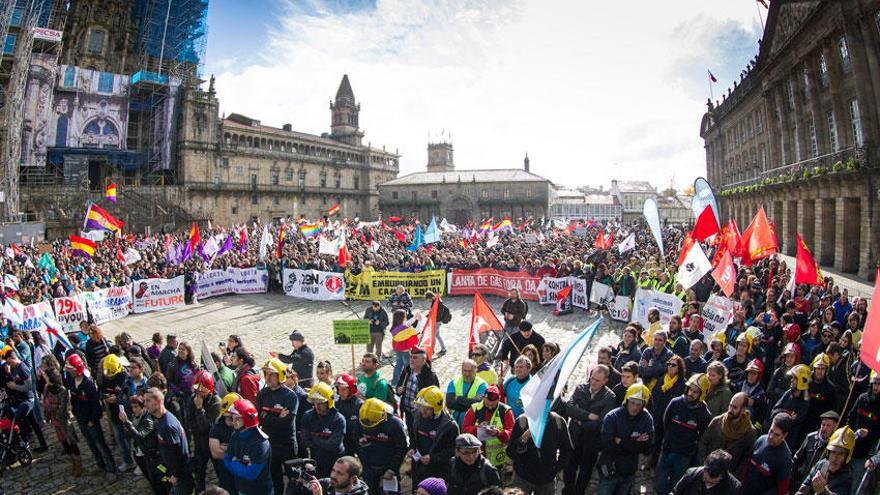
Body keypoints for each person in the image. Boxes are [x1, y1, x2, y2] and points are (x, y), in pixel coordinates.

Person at [653, 373, 712, 495]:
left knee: (677, 484)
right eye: (690, 389)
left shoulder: (704, 414)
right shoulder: (675, 403)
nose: (691, 393)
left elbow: (701, 434)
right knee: (659, 483)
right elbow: (666, 422)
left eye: (695, 392)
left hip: (684, 454)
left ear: (702, 394)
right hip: (668, 449)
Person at [563, 364, 617, 495]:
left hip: (591, 442)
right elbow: (569, 408)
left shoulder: (610, 397)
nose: (593, 382)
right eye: (592, 378)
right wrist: (588, 416)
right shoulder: (581, 388)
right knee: (569, 467)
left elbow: (601, 424)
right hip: (574, 438)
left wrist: (579, 419)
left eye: (597, 380)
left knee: (585, 471)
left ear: (605, 381)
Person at [63, 353, 117, 474]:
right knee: (91, 445)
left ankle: (111, 469)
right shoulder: (72, 380)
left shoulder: (88, 384)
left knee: (101, 445)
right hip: (81, 418)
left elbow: (96, 404)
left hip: (91, 420)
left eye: (70, 369)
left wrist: (93, 420)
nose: (69, 372)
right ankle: (100, 465)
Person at [597, 384, 654, 495]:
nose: (635, 407)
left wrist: (621, 441)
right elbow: (607, 444)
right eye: (632, 402)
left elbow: (647, 447)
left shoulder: (646, 419)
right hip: (610, 469)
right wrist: (635, 443)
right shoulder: (612, 417)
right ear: (627, 401)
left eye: (639, 404)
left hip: (629, 471)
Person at [256, 357, 300, 495]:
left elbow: (285, 422)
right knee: (275, 478)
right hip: (270, 443)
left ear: (279, 375)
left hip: (287, 444)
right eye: (266, 374)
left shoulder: (290, 396)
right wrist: (276, 417)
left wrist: (267, 417)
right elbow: (259, 418)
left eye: (271, 374)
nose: (267, 378)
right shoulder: (262, 394)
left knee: (293, 477)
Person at [507, 405, 573, 495]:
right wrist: (523, 438)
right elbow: (511, 452)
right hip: (522, 478)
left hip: (546, 480)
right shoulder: (522, 421)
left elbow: (567, 449)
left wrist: (555, 469)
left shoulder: (559, 422)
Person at [146, 387, 195, 495]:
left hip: (181, 476)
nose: (145, 404)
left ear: (158, 401)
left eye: (148, 401)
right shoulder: (161, 420)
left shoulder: (167, 425)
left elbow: (178, 453)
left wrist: (175, 475)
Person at [355, 398, 408, 495]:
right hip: (369, 468)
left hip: (388, 468)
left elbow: (402, 448)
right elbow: (356, 439)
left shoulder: (395, 425)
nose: (368, 426)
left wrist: (392, 469)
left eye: (371, 423)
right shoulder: (362, 419)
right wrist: (361, 444)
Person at [40, 355, 82, 477]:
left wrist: (51, 407)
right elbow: (45, 401)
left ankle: (78, 464)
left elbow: (62, 408)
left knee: (71, 442)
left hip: (63, 420)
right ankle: (72, 461)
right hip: (55, 420)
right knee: (64, 442)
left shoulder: (62, 390)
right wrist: (47, 413)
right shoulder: (47, 388)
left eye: (46, 376)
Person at [0, 346, 48, 454]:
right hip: (21, 399)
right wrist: (8, 374)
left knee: (18, 418)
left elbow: (29, 386)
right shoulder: (14, 368)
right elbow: (16, 381)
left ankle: (25, 443)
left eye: (8, 362)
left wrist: (14, 386)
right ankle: (41, 444)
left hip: (28, 399)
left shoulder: (22, 368)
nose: (8, 365)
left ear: (11, 359)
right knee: (33, 424)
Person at [410, 385, 459, 486]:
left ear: (436, 408)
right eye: (421, 406)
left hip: (439, 472)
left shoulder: (450, 426)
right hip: (419, 469)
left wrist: (433, 458)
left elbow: (452, 451)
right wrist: (412, 448)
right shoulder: (418, 417)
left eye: (427, 408)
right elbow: (414, 438)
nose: (423, 410)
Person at [120, 393, 169, 494]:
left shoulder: (148, 420)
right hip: (139, 452)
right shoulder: (134, 418)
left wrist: (127, 423)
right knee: (149, 477)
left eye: (136, 407)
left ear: (142, 407)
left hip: (150, 454)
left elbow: (139, 436)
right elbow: (129, 435)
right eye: (132, 407)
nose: (134, 409)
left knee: (158, 479)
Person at [698, 392, 756, 475]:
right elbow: (703, 442)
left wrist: (733, 477)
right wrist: (704, 464)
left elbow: (746, 459)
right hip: (707, 469)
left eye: (735, 407)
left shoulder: (750, 432)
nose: (730, 410)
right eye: (730, 405)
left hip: (727, 476)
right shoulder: (717, 421)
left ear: (743, 410)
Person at [225, 398, 273, 495]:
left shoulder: (261, 443)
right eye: (232, 418)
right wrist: (242, 465)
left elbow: (251, 474)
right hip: (242, 489)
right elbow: (226, 461)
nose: (233, 422)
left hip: (260, 491)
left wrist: (235, 462)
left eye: (237, 418)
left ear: (247, 419)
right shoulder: (235, 435)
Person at [462, 384, 514, 470]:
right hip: (477, 456)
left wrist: (498, 433)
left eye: (493, 405)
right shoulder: (474, 409)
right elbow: (464, 430)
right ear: (484, 398)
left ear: (499, 399)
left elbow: (511, 433)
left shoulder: (506, 411)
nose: (489, 407)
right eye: (487, 404)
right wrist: (478, 429)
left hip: (498, 459)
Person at [301, 382, 346, 479]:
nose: (317, 406)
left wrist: (315, 438)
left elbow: (334, 445)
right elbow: (305, 441)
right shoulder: (308, 416)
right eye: (315, 402)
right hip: (316, 460)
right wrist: (323, 441)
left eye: (320, 403)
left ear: (329, 401)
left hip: (335, 462)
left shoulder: (338, 419)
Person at [740, 413, 794, 495]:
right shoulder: (761, 440)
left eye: (776, 435)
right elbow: (747, 466)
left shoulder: (785, 459)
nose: (771, 436)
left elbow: (782, 490)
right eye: (771, 431)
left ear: (785, 435)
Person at [795, 426, 856, 495]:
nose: (834, 458)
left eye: (840, 454)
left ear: (847, 456)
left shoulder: (848, 477)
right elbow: (803, 489)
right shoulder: (821, 464)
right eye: (833, 452)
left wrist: (822, 491)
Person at [847, 371, 880, 493]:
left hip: (866, 452)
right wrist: (851, 431)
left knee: (856, 486)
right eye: (874, 383)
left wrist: (869, 433)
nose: (876, 387)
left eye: (879, 384)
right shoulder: (862, 398)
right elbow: (850, 416)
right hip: (851, 446)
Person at [101, 353, 135, 472]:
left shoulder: (126, 378)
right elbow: (101, 390)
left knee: (132, 438)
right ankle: (128, 461)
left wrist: (117, 399)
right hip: (114, 413)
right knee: (120, 439)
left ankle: (136, 460)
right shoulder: (106, 376)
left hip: (128, 413)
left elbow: (131, 396)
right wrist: (105, 397)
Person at [395, 346, 439, 436]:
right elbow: (398, 386)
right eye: (410, 357)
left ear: (423, 360)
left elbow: (435, 397)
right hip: (408, 411)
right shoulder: (407, 370)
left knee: (420, 435)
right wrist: (399, 390)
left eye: (415, 358)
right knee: (411, 432)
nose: (411, 360)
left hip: (422, 413)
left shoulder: (430, 375)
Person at [191, 369, 222, 493]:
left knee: (220, 472)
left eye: (201, 388)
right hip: (200, 443)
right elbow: (190, 422)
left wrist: (199, 409)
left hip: (213, 443)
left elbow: (208, 427)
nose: (198, 391)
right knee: (199, 472)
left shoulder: (215, 402)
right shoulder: (193, 399)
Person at [793, 410, 840, 489]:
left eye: (828, 425)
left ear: (835, 427)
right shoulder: (810, 437)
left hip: (817, 485)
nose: (824, 428)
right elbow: (797, 457)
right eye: (823, 424)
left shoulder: (835, 445)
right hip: (800, 480)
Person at [770, 363, 811, 449]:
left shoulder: (805, 400)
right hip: (775, 435)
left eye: (795, 378)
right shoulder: (788, 393)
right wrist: (786, 413)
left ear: (801, 381)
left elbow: (797, 420)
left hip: (789, 442)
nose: (791, 380)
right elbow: (774, 411)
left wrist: (782, 413)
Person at [210, 393, 242, 495]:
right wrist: (237, 454)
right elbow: (215, 453)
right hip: (226, 473)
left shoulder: (245, 423)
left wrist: (227, 450)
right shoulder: (217, 427)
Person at [671, 449, 741, 495]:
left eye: (712, 482)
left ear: (722, 476)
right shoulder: (691, 474)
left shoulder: (733, 489)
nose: (707, 483)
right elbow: (674, 493)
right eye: (705, 480)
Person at [804, 353, 838, 435]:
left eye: (823, 369)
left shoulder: (830, 388)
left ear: (826, 370)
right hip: (803, 421)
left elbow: (832, 410)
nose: (820, 371)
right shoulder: (805, 382)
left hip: (817, 426)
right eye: (818, 368)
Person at [447, 359, 488, 426]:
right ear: (461, 370)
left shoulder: (482, 385)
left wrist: (458, 399)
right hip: (454, 424)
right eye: (465, 370)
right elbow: (449, 403)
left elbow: (479, 406)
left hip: (471, 425)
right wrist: (472, 401)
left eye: (470, 371)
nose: (467, 374)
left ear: (476, 371)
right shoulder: (454, 382)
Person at [334, 373, 364, 456]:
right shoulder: (337, 404)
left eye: (343, 390)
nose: (340, 393)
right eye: (338, 389)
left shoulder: (360, 405)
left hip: (358, 442)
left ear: (351, 389)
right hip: (344, 442)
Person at [389, 309, 421, 384]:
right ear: (402, 317)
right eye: (405, 316)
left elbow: (407, 323)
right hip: (405, 351)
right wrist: (419, 321)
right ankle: (408, 382)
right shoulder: (404, 328)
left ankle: (394, 382)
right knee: (408, 367)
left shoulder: (395, 327)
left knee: (398, 366)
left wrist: (415, 317)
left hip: (398, 350)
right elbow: (415, 331)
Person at [425, 291, 449, 356]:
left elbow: (438, 314)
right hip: (436, 320)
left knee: (433, 336)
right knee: (437, 335)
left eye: (429, 299)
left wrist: (430, 313)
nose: (429, 301)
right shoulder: (435, 301)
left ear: (432, 297)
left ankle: (433, 350)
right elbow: (433, 311)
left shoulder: (439, 303)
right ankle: (443, 349)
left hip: (437, 321)